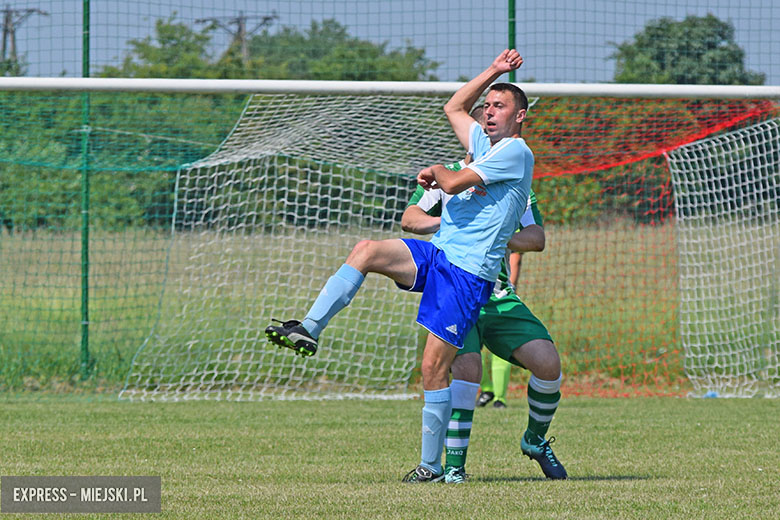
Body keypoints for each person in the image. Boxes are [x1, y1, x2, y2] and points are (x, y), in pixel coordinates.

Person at [266, 49, 531, 484]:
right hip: (439, 255)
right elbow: (454, 107)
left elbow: (452, 181)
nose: (487, 112)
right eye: (487, 105)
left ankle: (433, 466)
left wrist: (436, 170)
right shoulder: (483, 144)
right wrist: (494, 71)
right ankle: (309, 328)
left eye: (499, 106)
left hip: (467, 275)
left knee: (433, 369)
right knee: (367, 250)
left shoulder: (516, 153)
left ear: (519, 116)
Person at [403, 169, 566, 482]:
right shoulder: (446, 177)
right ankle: (454, 469)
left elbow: (536, 238)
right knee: (468, 372)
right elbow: (409, 219)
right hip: (456, 291)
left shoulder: (514, 180)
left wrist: (498, 235)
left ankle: (534, 440)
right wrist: (449, 224)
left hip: (499, 296)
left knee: (548, 364)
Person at [477, 195, 543, 410]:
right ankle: (486, 389)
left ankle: (500, 398)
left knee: (501, 343)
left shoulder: (513, 203)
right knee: (470, 344)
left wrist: (510, 286)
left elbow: (516, 254)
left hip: (499, 290)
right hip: (469, 285)